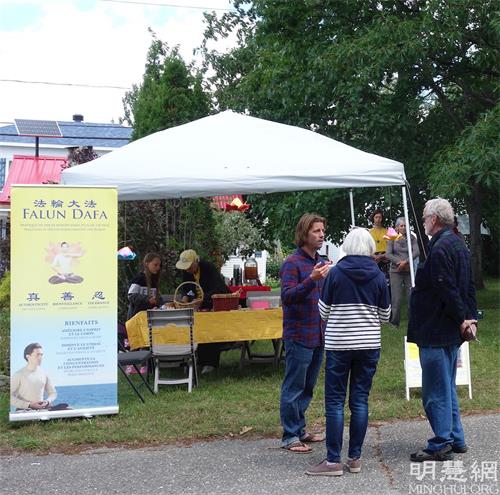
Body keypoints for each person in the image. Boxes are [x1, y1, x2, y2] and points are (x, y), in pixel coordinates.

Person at [306, 228, 390, 476]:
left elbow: (323, 312)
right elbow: (385, 315)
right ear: (370, 248)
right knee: (360, 400)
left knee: (335, 401)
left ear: (347, 246)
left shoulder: (335, 273)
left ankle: (333, 461)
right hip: (368, 344)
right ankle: (355, 458)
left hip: (339, 344)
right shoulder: (378, 275)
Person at [408, 198, 477, 462]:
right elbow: (468, 285)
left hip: (435, 330)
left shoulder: (438, 249)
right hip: (448, 331)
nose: (424, 221)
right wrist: (470, 317)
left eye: (425, 217)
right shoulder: (458, 243)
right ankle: (455, 437)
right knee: (446, 387)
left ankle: (441, 443)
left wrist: (462, 318)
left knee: (435, 392)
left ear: (434, 219)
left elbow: (447, 289)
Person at [279, 213, 331, 454]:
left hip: (318, 333)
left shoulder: (321, 262)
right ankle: (290, 436)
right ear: (304, 234)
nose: (321, 235)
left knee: (308, 386)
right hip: (299, 334)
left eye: (322, 230)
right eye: (316, 231)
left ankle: (299, 430)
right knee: (294, 386)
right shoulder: (292, 263)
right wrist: (311, 279)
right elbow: (287, 297)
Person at [176, 249, 230, 374]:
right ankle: (199, 361)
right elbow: (186, 287)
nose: (187, 270)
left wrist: (203, 299)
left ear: (196, 262)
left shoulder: (209, 268)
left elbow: (218, 288)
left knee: (211, 329)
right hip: (198, 307)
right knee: (198, 330)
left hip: (214, 303)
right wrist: (185, 297)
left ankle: (210, 363)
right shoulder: (187, 272)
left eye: (189, 267)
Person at [386, 217, 420, 327]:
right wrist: (399, 263)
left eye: (405, 225)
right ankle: (394, 322)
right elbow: (388, 254)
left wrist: (405, 262)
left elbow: (416, 252)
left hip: (409, 270)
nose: (404, 227)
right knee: (396, 298)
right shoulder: (391, 238)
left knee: (411, 296)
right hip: (395, 271)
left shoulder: (412, 238)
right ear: (397, 227)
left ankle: (413, 322)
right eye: (401, 226)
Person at [11, 343, 58, 411]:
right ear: (28, 356)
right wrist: (29, 404)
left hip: (41, 410)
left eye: (41, 355)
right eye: (37, 355)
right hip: (24, 411)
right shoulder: (18, 374)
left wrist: (47, 401)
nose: (40, 357)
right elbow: (10, 396)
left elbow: (53, 393)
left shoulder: (44, 374)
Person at [127, 252, 162, 320]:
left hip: (149, 318)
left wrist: (161, 304)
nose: (158, 268)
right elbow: (131, 295)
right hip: (136, 319)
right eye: (155, 265)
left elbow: (157, 298)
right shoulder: (139, 279)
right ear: (147, 264)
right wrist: (147, 299)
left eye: (159, 265)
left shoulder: (154, 281)